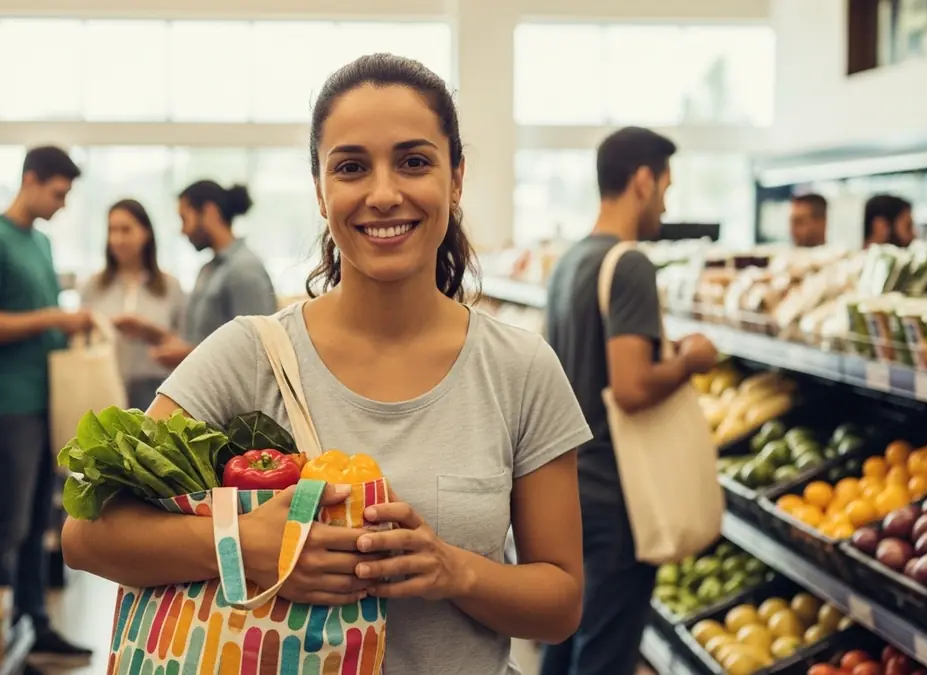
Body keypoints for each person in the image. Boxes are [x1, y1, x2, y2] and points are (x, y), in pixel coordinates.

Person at [62, 53, 591, 674]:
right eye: (351, 167)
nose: (384, 193)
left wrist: (452, 570)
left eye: (414, 161)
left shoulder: (521, 368)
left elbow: (560, 603)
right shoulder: (250, 354)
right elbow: (86, 535)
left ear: (456, 179)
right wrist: (245, 545)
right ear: (320, 190)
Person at [539, 127, 719, 675]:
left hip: (572, 485)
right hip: (620, 494)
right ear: (643, 181)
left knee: (566, 644)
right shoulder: (630, 263)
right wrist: (692, 359)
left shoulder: (569, 263)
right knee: (605, 656)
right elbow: (632, 387)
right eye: (665, 187)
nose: (666, 203)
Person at [0, 145, 94, 666]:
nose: (61, 205)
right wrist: (49, 320)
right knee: (9, 525)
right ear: (31, 179)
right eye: (58, 193)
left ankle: (34, 626)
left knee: (39, 521)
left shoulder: (38, 242)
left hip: (42, 401)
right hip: (7, 404)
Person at [114, 180, 277, 369]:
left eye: (185, 219)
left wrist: (189, 356)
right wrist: (152, 333)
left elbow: (256, 351)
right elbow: (200, 339)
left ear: (209, 212)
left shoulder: (244, 270)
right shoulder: (208, 270)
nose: (183, 230)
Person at [80, 199, 184, 410]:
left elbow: (185, 347)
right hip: (104, 389)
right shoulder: (93, 286)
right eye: (112, 230)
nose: (117, 239)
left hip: (158, 391)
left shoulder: (170, 286)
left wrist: (150, 331)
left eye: (126, 230)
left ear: (145, 233)